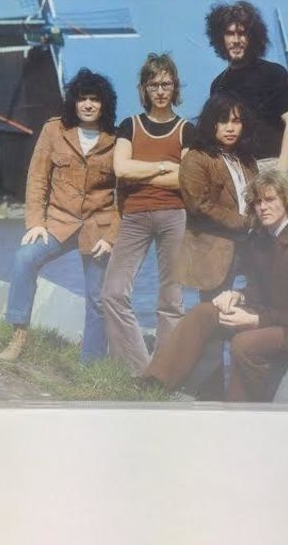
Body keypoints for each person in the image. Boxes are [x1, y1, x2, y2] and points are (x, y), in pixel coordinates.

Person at [143, 169, 288, 403]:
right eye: (257, 202)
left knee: (244, 344)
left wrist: (256, 320)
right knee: (204, 313)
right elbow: (260, 289)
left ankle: (239, 410)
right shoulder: (261, 238)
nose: (262, 207)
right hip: (273, 319)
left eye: (269, 199)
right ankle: (154, 385)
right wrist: (237, 295)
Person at [0, 68, 119, 363]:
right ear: (73, 101)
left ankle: (91, 365)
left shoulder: (117, 139)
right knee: (24, 258)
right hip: (58, 222)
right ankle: (18, 336)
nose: (88, 104)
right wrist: (35, 223)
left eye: (95, 99)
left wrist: (112, 236)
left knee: (98, 298)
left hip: (98, 228)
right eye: (82, 98)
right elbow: (37, 178)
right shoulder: (54, 130)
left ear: (104, 104)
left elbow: (124, 195)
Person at [102, 53, 194, 376]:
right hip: (135, 216)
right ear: (144, 88)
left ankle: (165, 374)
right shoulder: (130, 125)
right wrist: (163, 166)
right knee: (112, 292)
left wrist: (143, 173)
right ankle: (139, 371)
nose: (160, 90)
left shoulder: (186, 130)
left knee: (171, 298)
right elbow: (121, 169)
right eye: (153, 84)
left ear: (175, 86)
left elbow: (187, 179)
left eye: (166, 84)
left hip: (175, 215)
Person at [172, 92, 258, 399]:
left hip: (248, 249)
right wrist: (244, 222)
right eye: (223, 121)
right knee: (214, 320)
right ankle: (208, 394)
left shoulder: (246, 160)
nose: (231, 127)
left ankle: (234, 390)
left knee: (243, 313)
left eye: (236, 121)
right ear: (211, 123)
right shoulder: (196, 158)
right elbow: (199, 205)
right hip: (213, 252)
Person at [206, 1, 288, 172]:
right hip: (237, 169)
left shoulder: (274, 74)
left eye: (242, 33)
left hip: (275, 165)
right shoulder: (218, 84)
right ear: (220, 38)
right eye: (229, 34)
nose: (236, 40)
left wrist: (280, 171)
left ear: (253, 37)